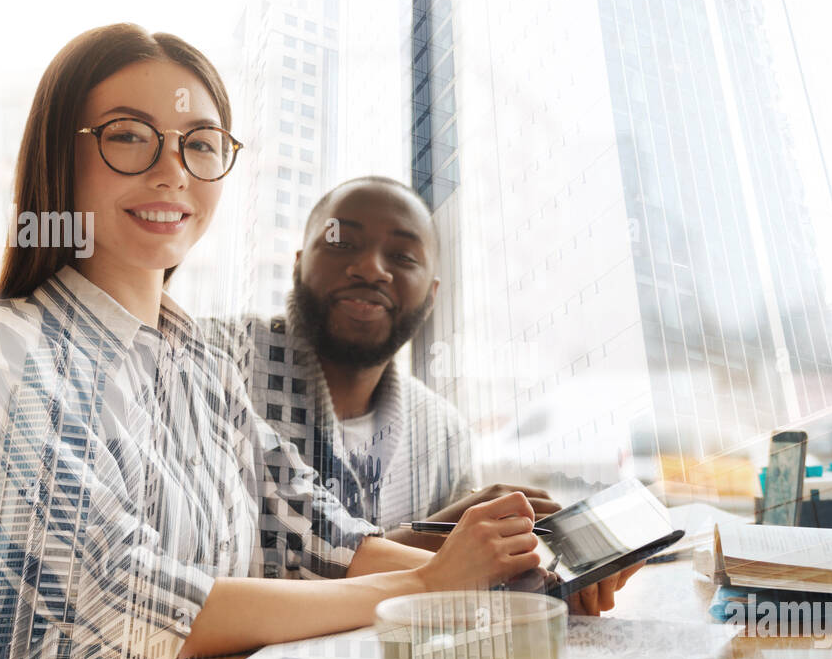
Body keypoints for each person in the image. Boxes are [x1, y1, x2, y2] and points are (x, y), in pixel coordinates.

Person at [0, 25, 541, 659]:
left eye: (200, 144)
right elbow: (130, 599)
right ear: (61, 152)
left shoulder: (201, 364)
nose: (172, 171)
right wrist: (425, 586)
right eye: (130, 136)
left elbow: (321, 539)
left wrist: (510, 571)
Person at [205, 176, 635, 616]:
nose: (371, 268)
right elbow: (222, 584)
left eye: (403, 256)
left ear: (431, 296)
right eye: (341, 243)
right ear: (298, 265)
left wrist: (542, 590)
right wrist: (441, 532)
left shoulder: (443, 433)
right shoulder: (212, 361)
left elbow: (459, 600)